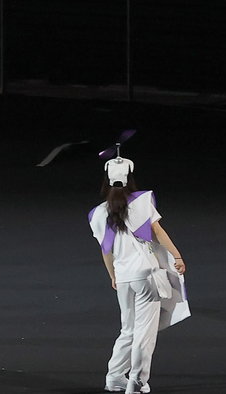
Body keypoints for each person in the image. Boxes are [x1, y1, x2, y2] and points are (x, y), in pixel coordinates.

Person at [88, 157, 185, 394]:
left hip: (123, 277)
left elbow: (105, 250)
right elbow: (158, 232)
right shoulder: (141, 202)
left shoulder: (98, 213)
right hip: (146, 275)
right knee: (144, 332)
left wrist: (113, 275)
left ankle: (114, 377)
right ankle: (137, 380)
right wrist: (178, 257)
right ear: (130, 178)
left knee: (128, 329)